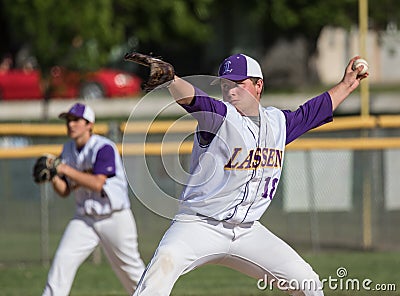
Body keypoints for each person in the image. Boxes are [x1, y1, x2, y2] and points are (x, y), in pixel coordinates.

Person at [131, 54, 368, 296]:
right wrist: (172, 80)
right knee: (159, 273)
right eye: (225, 86)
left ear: (258, 86)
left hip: (247, 232)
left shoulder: (277, 123)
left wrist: (347, 84)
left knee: (308, 284)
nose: (231, 91)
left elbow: (314, 111)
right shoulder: (219, 117)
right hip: (198, 225)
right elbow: (197, 100)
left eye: (238, 84)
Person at [41, 102, 145, 296]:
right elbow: (64, 190)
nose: (71, 125)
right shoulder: (68, 150)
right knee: (62, 262)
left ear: (89, 124)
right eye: (68, 121)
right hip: (85, 219)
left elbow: (98, 183)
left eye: (76, 120)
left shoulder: (104, 147)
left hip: (114, 217)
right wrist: (53, 177)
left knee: (131, 271)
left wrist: (63, 169)